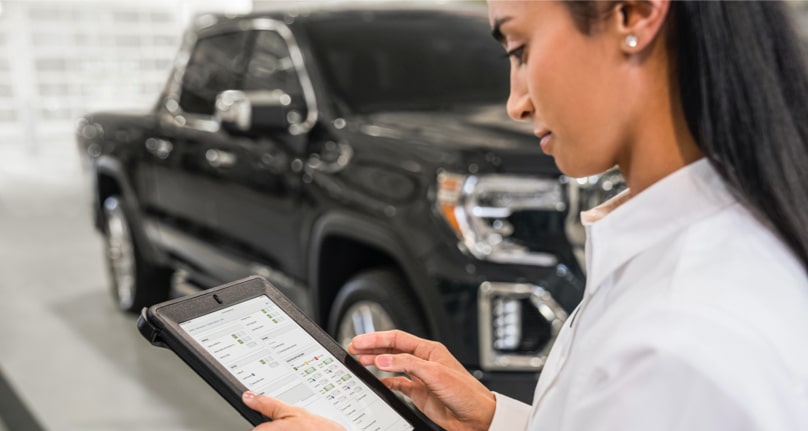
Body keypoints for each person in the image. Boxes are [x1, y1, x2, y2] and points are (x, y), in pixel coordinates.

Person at [241, 1, 808, 429]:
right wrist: (493, 419)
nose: (516, 102)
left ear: (634, 13)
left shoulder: (683, 340)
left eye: (519, 49)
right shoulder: (715, 253)